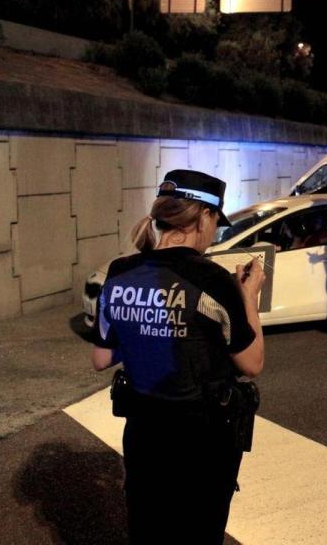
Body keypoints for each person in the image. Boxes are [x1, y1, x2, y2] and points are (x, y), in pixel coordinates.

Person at [90, 169, 265, 544]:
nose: (216, 229)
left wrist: (145, 329)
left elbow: (102, 358)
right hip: (201, 436)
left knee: (147, 524)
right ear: (203, 216)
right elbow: (252, 364)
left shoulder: (120, 272)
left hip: (143, 430)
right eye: (217, 220)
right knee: (197, 529)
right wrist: (248, 296)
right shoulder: (213, 280)